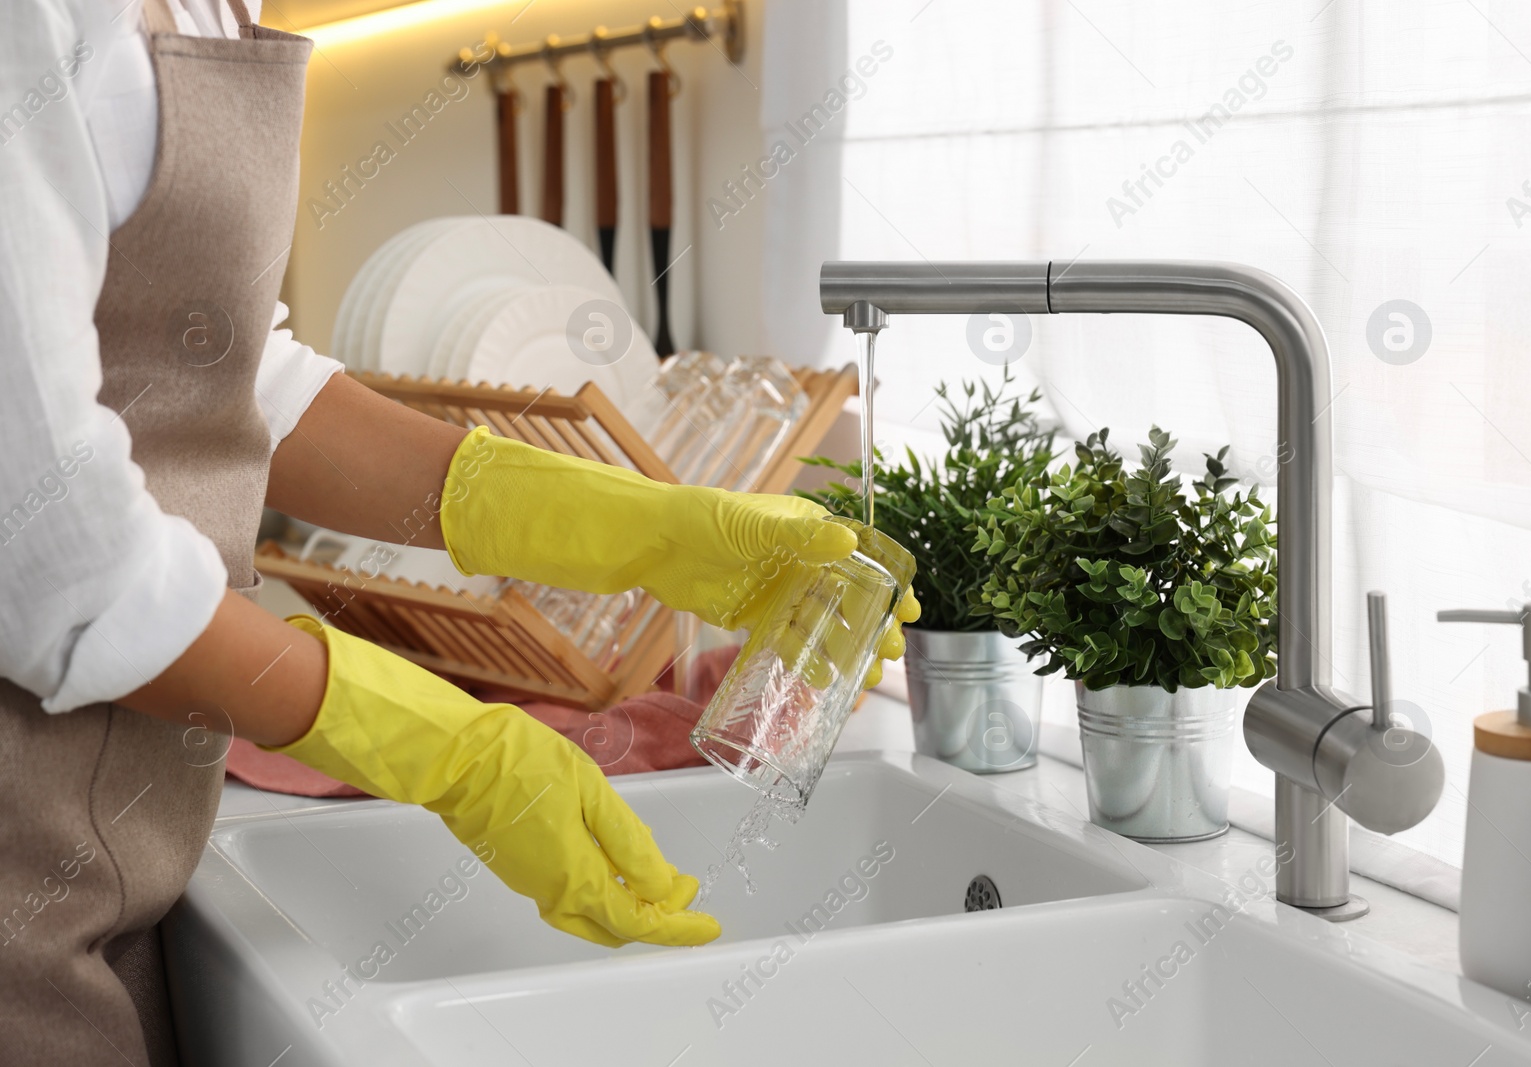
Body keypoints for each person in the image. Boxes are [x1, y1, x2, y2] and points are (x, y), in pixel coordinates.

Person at [0, 2, 919, 1064]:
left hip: (115, 845)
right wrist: (446, 750)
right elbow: (50, 550)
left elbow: (236, 375)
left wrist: (650, 527)